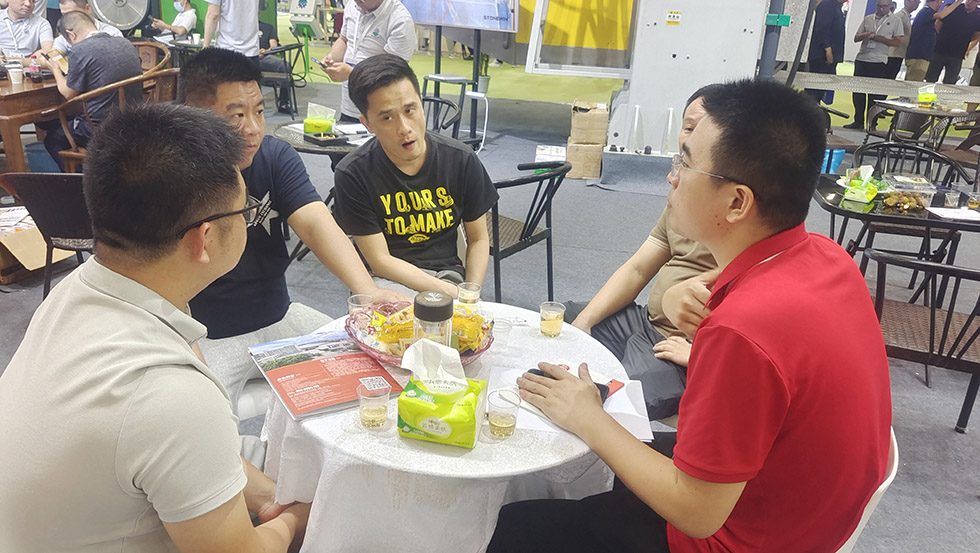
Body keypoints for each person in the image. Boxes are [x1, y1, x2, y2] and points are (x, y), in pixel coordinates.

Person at [487, 79, 892, 553]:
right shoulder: (825, 255)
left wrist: (587, 416)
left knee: (513, 525)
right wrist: (683, 295)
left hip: (734, 534)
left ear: (737, 202)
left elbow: (697, 514)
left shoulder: (741, 330)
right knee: (594, 459)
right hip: (796, 505)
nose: (671, 176)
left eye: (685, 161)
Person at [0, 103, 311, 552]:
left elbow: (180, 449)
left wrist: (268, 499)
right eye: (243, 211)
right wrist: (297, 517)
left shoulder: (81, 287)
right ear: (204, 238)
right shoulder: (170, 394)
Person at [178, 48, 406, 414]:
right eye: (236, 115)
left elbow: (315, 222)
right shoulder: (173, 174)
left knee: (378, 365)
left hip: (281, 319)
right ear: (196, 116)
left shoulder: (275, 156)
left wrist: (368, 290)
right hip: (210, 336)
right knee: (199, 415)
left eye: (259, 111)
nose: (253, 128)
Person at [565, 86, 719, 421]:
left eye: (702, 129)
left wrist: (699, 354)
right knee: (560, 324)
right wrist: (584, 322)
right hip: (645, 324)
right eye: (688, 127)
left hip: (678, 349)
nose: (690, 139)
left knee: (614, 407)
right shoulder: (681, 197)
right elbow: (637, 269)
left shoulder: (741, 221)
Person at [333, 54, 498, 298]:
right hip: (386, 281)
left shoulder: (461, 159)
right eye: (387, 118)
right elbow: (379, 261)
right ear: (367, 123)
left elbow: (478, 239)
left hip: (447, 274)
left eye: (410, 110)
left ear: (421, 103)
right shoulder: (353, 173)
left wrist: (471, 294)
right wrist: (455, 295)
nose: (404, 128)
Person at [39, 11, 141, 171]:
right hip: (133, 121)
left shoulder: (80, 50)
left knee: (53, 139)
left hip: (99, 127)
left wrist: (55, 69)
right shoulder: (125, 43)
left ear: (71, 34)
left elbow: (68, 94)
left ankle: (83, 181)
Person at [316, 0, 416, 122]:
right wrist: (332, 57)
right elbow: (344, 39)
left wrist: (352, 74)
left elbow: (395, 72)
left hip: (382, 111)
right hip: (349, 106)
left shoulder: (400, 20)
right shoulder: (352, 6)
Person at [843, 0, 903, 130]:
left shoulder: (895, 20)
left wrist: (880, 39)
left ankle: (872, 123)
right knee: (858, 92)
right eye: (878, 6)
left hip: (879, 61)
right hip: (862, 58)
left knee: (874, 95)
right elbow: (856, 38)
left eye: (884, 6)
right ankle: (858, 121)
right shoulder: (868, 18)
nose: (881, 9)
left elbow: (898, 42)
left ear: (890, 6)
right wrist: (865, 35)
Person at [925, 0, 980, 84]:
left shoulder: (978, 16)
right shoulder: (953, 8)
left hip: (957, 54)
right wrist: (944, 36)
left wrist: (963, 39)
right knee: (930, 79)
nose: (969, 2)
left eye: (973, 1)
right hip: (940, 50)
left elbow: (976, 35)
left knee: (950, 82)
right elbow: (938, 24)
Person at [804, 0, 847, 103]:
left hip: (829, 55)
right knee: (814, 87)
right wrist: (827, 49)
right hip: (822, 55)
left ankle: (815, 106)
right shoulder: (827, 5)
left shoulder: (836, 6)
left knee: (822, 87)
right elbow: (821, 29)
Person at [257, 0, 292, 114]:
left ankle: (284, 102)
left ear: (259, 13)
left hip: (265, 57)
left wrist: (265, 51)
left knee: (285, 66)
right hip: (247, 56)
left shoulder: (268, 28)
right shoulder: (243, 29)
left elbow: (274, 46)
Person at [52, 0, 122, 54]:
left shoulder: (112, 33)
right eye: (64, 15)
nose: (67, 19)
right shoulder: (67, 35)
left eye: (72, 13)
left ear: (88, 8)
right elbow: (52, 57)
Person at [905, 0, 943, 81]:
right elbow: (941, 15)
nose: (942, 3)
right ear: (937, 1)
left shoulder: (927, 14)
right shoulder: (926, 11)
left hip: (922, 56)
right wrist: (957, 2)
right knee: (914, 83)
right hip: (919, 56)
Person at [885, 0, 916, 79]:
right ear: (907, 2)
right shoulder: (900, 16)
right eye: (915, 1)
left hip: (899, 53)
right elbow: (890, 32)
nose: (917, 4)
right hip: (893, 54)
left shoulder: (906, 16)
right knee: (888, 77)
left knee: (891, 76)